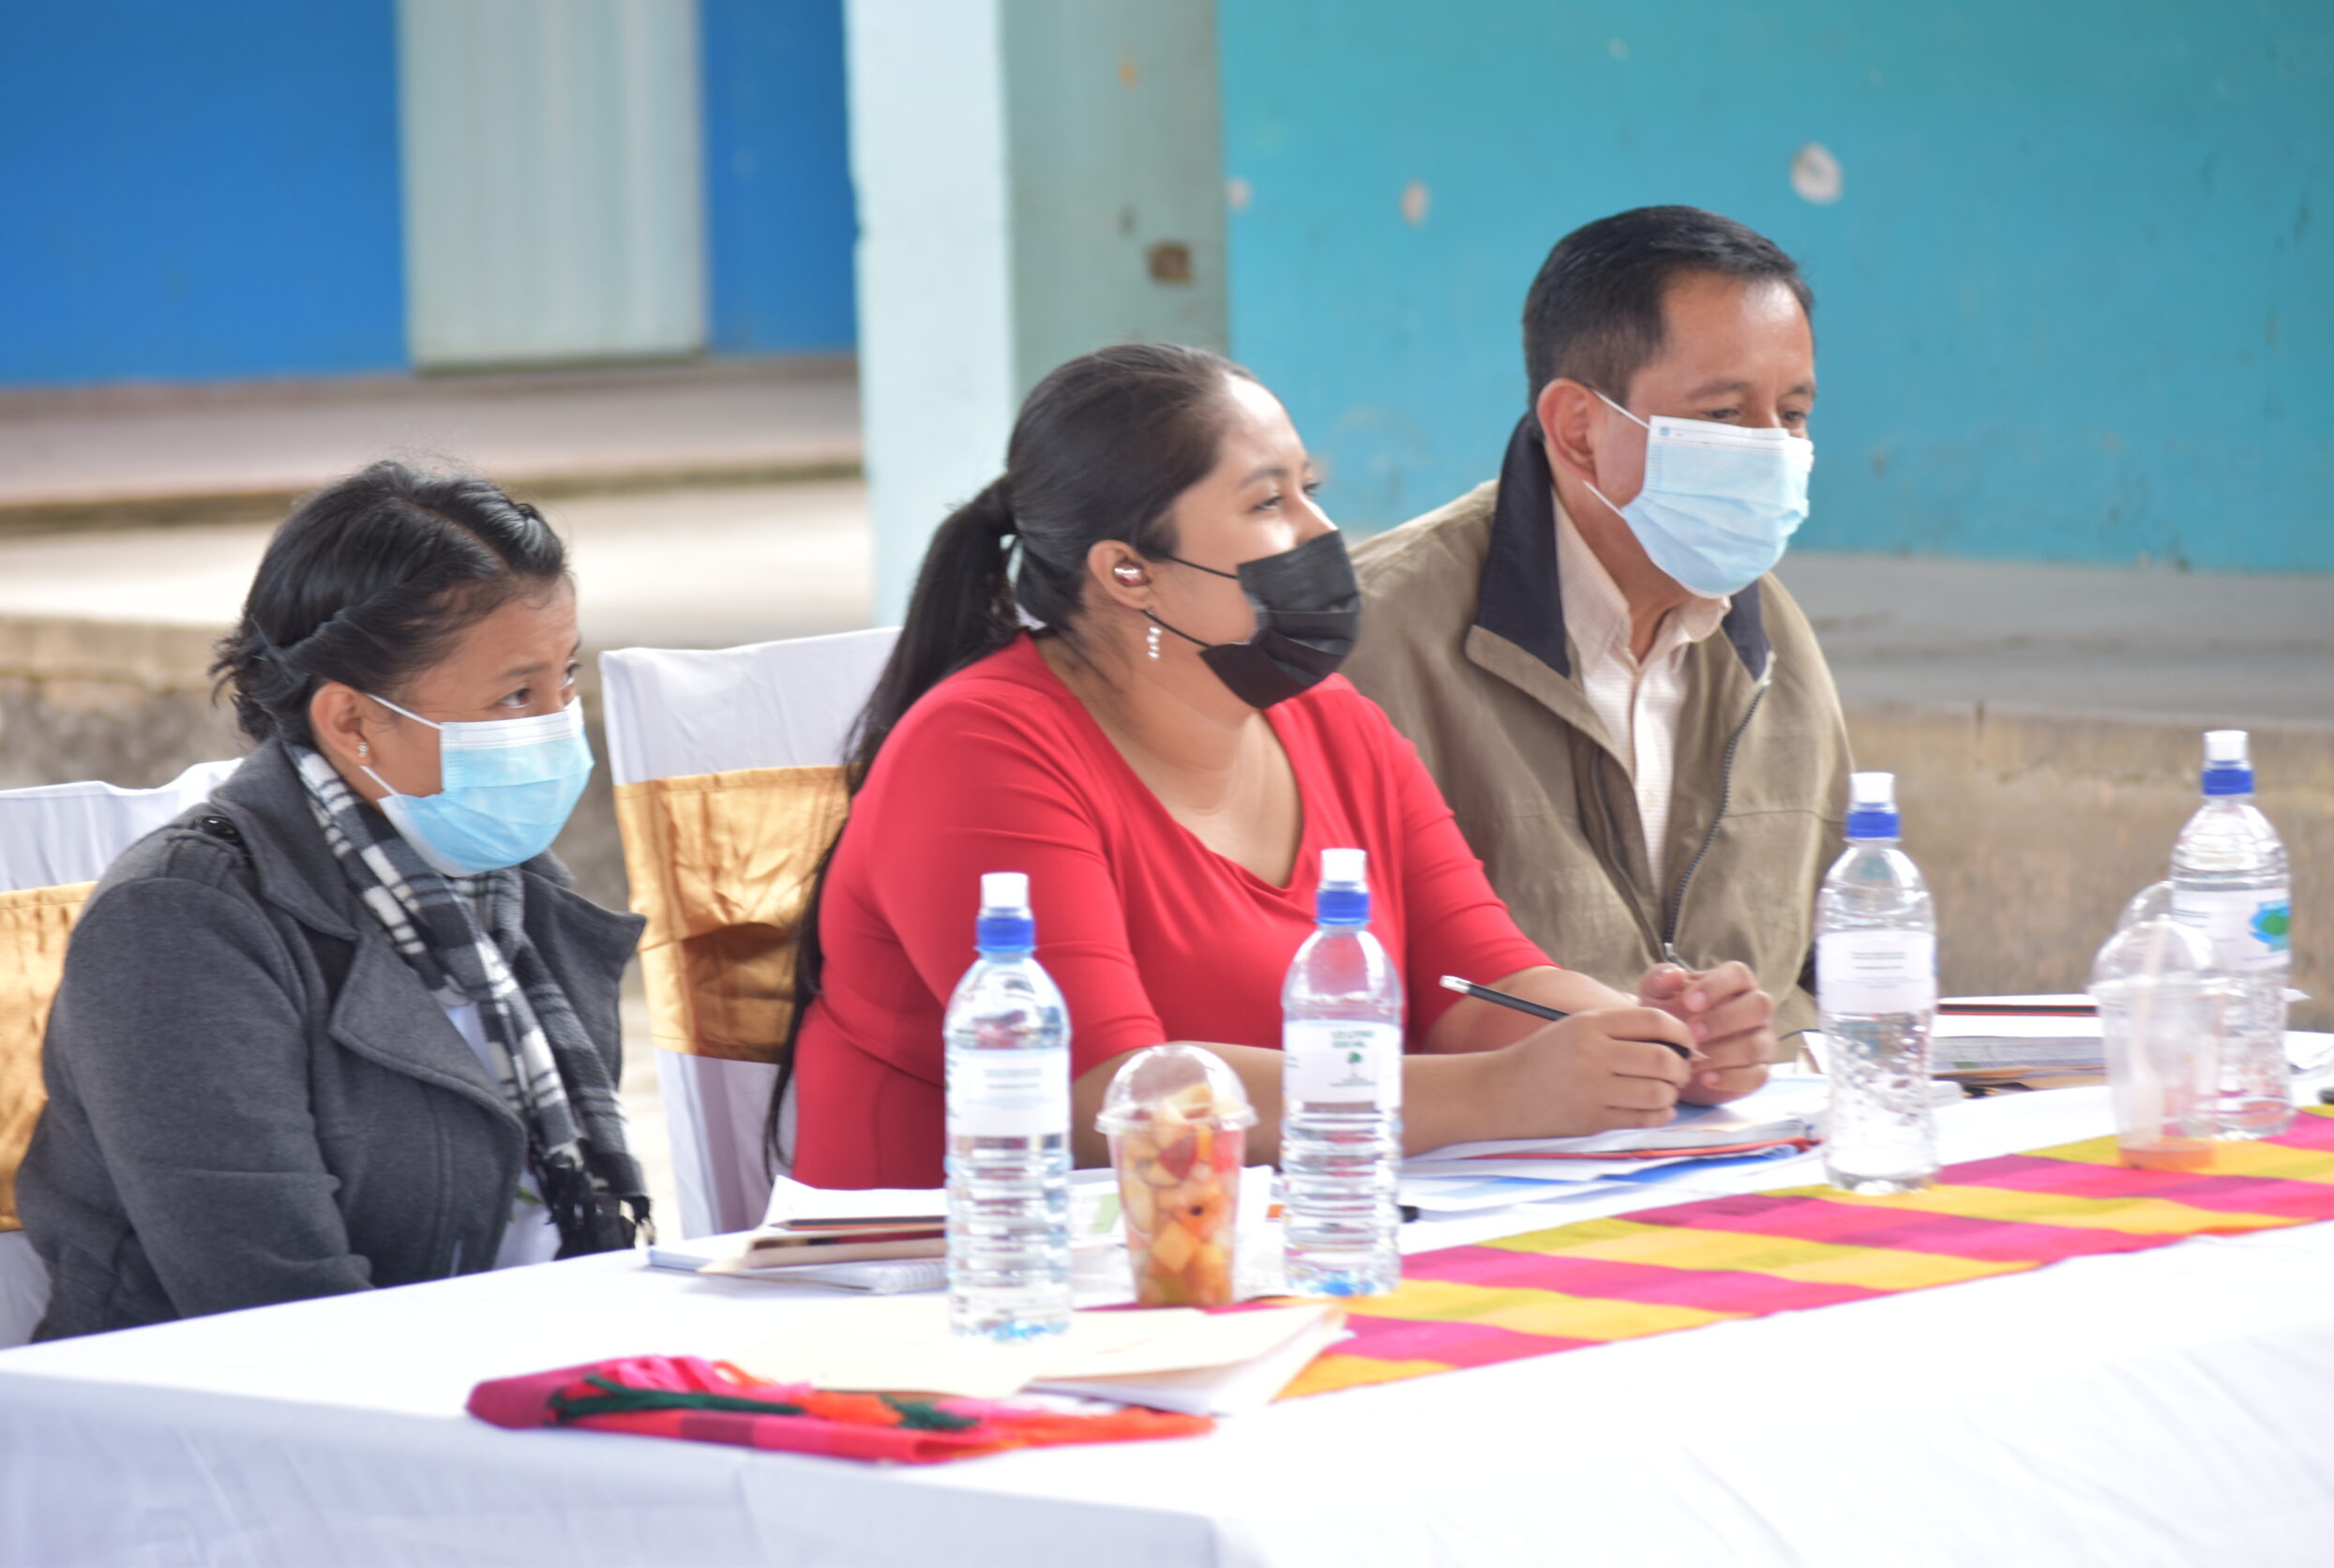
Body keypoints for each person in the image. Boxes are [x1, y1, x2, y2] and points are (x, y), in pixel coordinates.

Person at [783, 342, 1779, 1189]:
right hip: (950, 1270)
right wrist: (1498, 1093)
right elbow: (1104, 1099)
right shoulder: (982, 752)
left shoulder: (1330, 725)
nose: (1320, 532)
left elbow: (1481, 989)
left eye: (1310, 490)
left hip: (1249, 1241)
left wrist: (1652, 1041)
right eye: (1268, 503)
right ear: (1127, 572)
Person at [18, 462, 648, 1340]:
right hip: (236, 1430)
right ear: (351, 720)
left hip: (513, 1374)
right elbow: (278, 1308)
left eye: (564, 679)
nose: (559, 723)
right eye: (515, 694)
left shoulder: (512, 890)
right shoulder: (178, 924)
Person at [1346, 206, 1853, 1041]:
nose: (1773, 450)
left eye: (1792, 414)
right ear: (1579, 430)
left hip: (1749, 1146)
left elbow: (1832, 968)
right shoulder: (1385, 639)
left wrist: (1753, 1044)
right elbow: (1341, 998)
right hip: (1503, 1156)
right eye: (1725, 416)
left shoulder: (1770, 642)